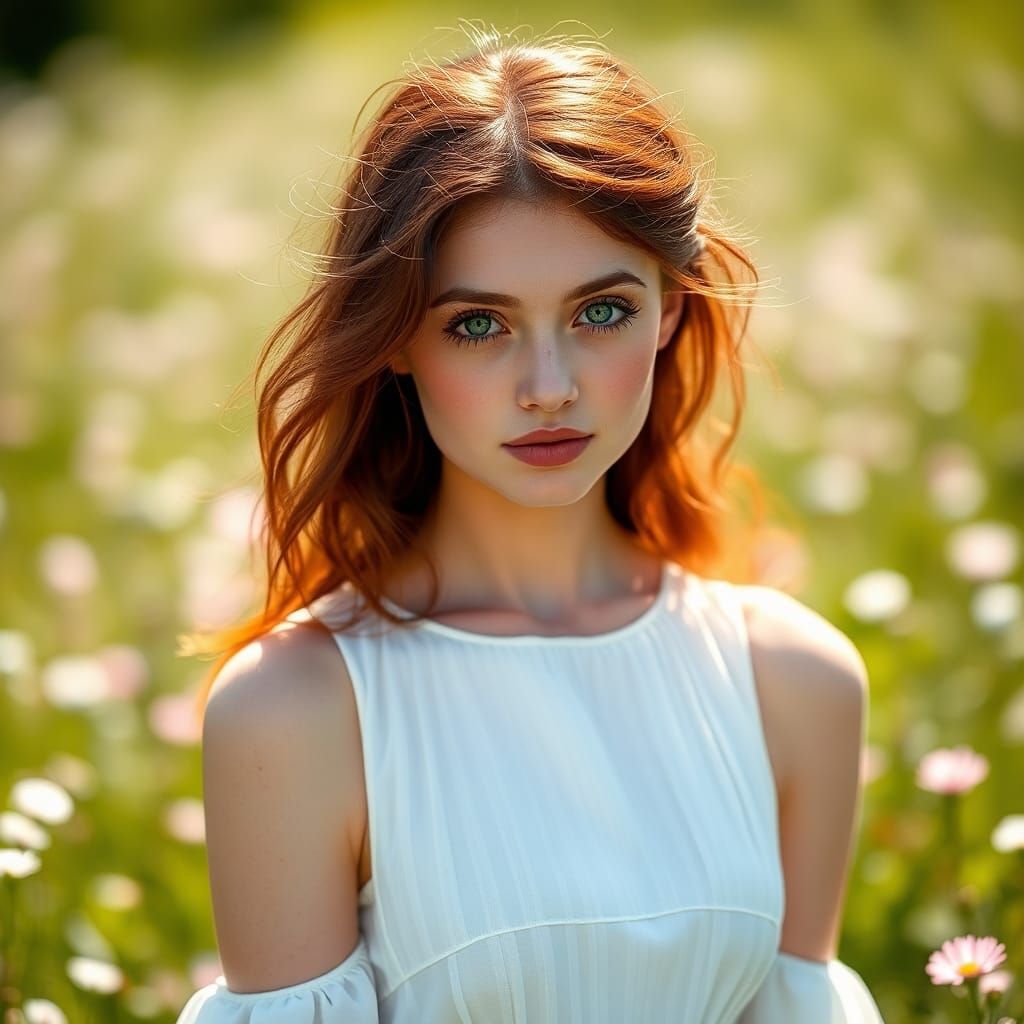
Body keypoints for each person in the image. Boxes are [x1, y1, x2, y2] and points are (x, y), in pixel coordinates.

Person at [174, 26, 886, 1023]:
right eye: (479, 325)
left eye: (600, 312)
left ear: (672, 309)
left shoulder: (793, 680)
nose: (548, 388)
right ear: (394, 344)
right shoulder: (295, 711)